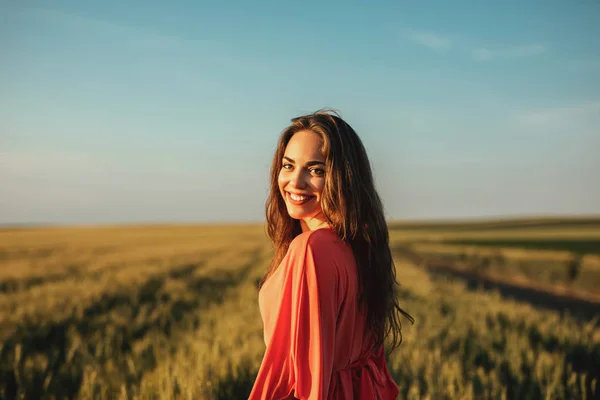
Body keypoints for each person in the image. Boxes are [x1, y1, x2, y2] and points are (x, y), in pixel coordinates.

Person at [248, 110, 413, 400]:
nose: (295, 182)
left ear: (342, 178)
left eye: (316, 170)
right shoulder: (358, 245)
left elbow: (310, 380)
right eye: (288, 166)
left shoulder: (312, 250)